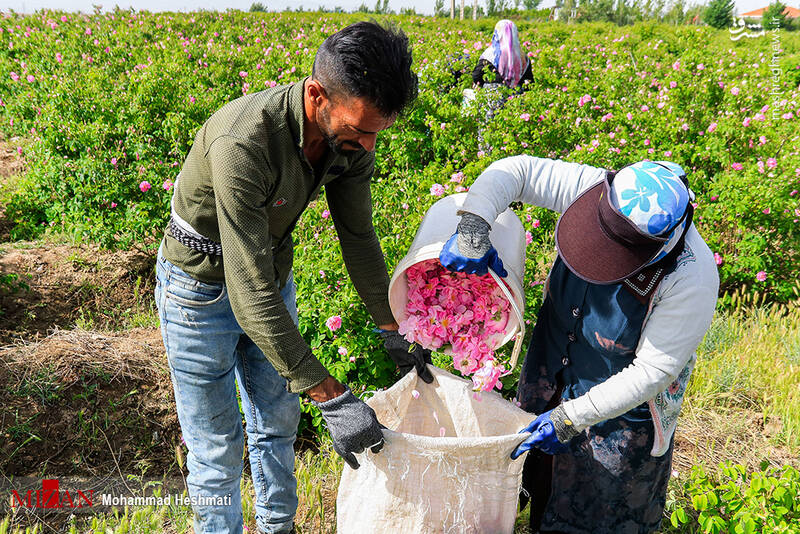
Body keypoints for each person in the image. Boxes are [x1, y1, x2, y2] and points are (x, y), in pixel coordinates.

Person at [155, 21, 428, 534]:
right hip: (198, 292)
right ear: (317, 94)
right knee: (216, 448)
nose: (368, 145)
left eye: (376, 132)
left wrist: (393, 325)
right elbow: (247, 289)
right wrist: (330, 394)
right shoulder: (245, 140)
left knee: (276, 428)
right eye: (359, 129)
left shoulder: (350, 143)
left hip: (268, 277)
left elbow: (358, 236)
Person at [439, 156, 719, 533]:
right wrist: (475, 224)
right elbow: (516, 172)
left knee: (600, 510)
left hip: (619, 415)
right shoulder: (597, 189)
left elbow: (653, 371)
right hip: (551, 374)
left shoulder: (691, 274)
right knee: (544, 483)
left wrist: (570, 417)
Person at [472, 19, 532, 89]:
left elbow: (476, 76)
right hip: (517, 97)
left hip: (493, 96)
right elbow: (529, 81)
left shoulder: (490, 54)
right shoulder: (522, 56)